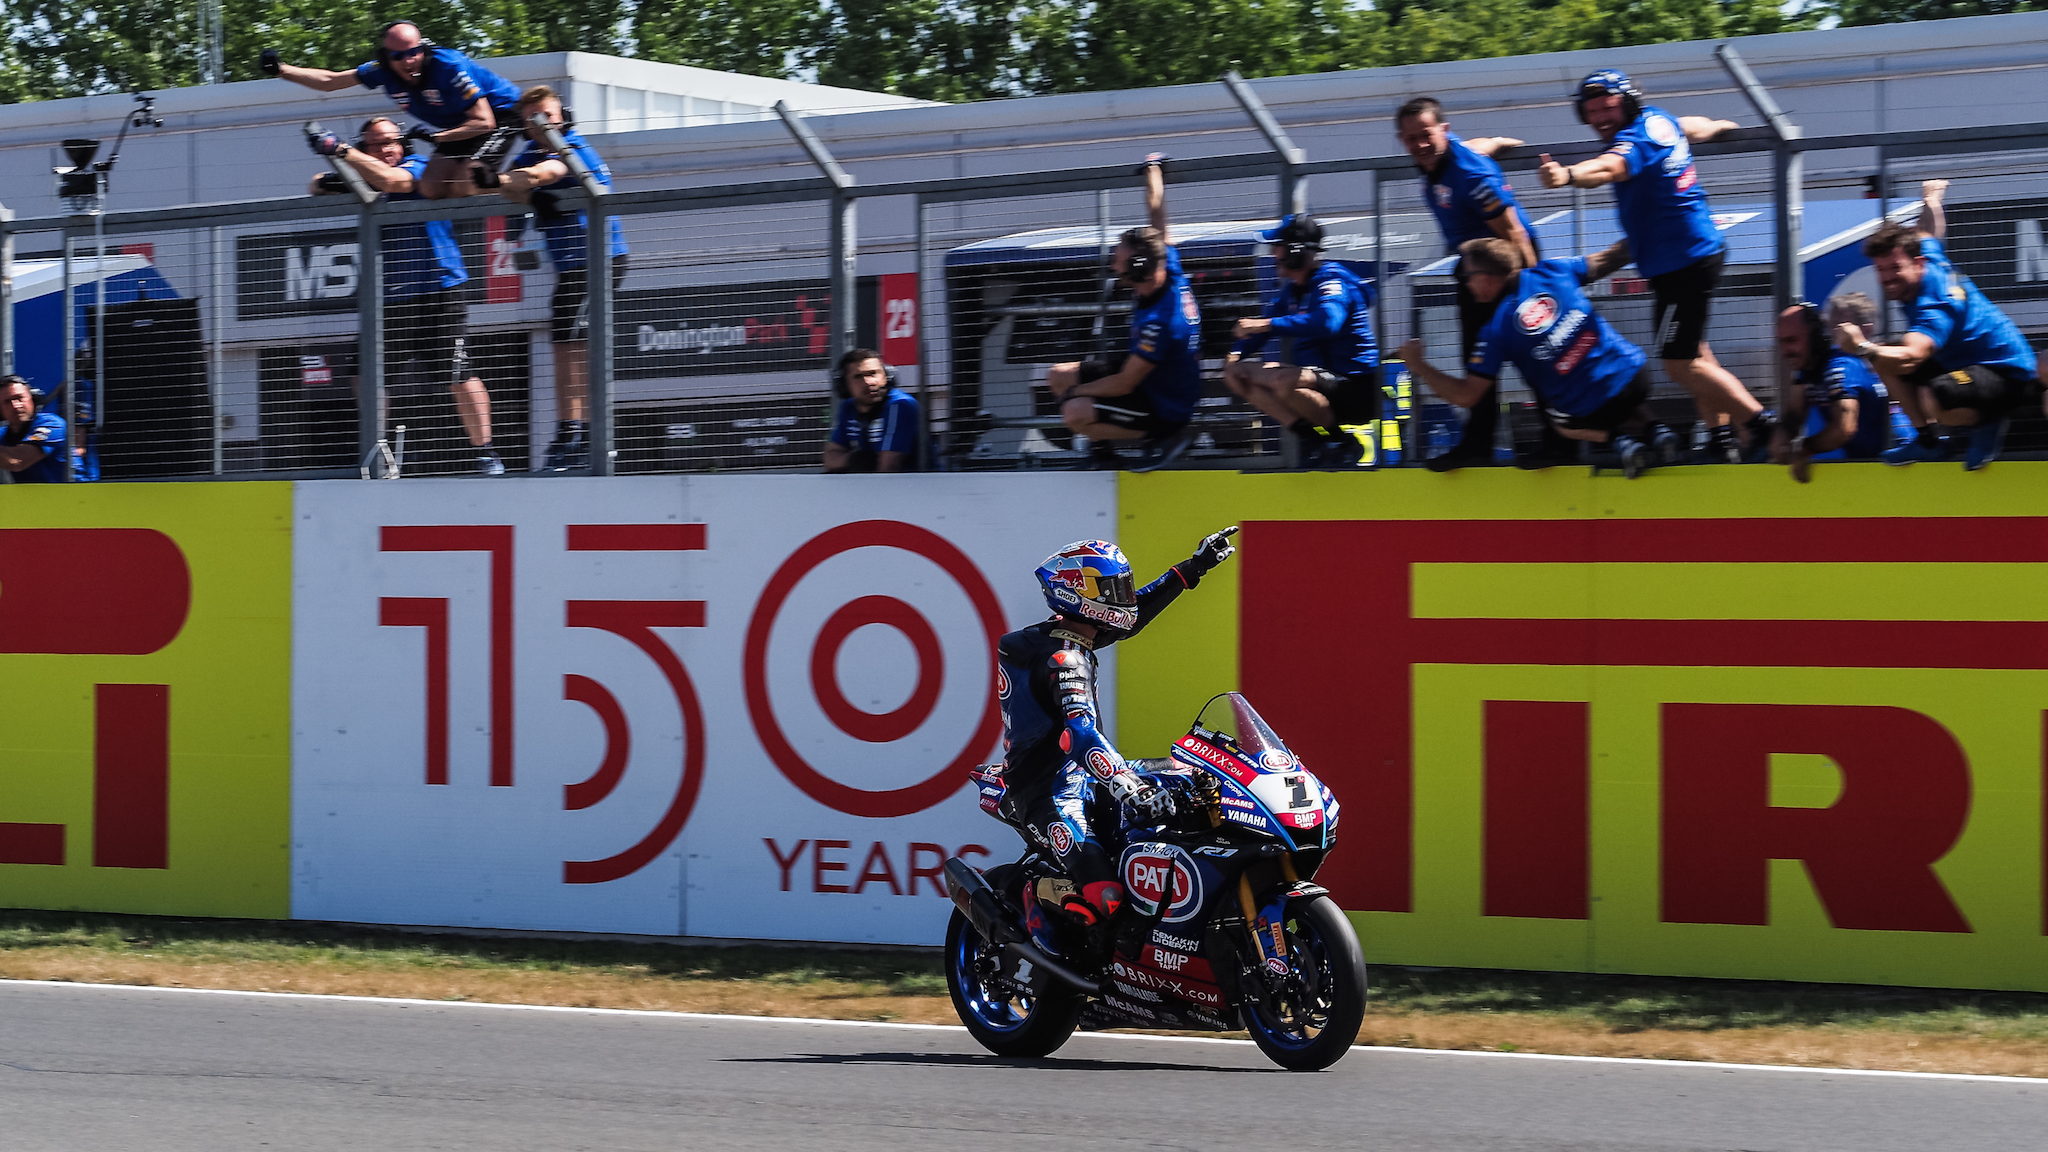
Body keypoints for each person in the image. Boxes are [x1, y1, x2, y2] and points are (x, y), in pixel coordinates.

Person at [996, 528, 1238, 944]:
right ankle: (1028, 894)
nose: (1124, 597)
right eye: (1114, 589)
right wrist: (1131, 788)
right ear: (1080, 594)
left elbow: (1132, 618)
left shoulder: (1072, 633)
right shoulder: (1063, 658)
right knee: (1106, 899)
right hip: (1048, 793)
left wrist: (1192, 569)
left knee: (1197, 777)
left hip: (1089, 777)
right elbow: (1082, 736)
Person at [1538, 69, 1773, 464]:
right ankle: (1719, 439)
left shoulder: (1633, 141)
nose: (1599, 118)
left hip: (1682, 263)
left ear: (1628, 103)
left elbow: (1608, 168)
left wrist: (1567, 175)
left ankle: (1763, 424)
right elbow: (1693, 126)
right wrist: (1724, 128)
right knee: (1696, 352)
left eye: (1607, 107)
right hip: (1690, 254)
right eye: (1591, 112)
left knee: (1680, 365)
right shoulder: (1658, 120)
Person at [309, 117, 504, 475]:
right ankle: (378, 452)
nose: (387, 148)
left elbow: (391, 181)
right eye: (378, 143)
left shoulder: (418, 167)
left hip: (440, 287)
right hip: (392, 296)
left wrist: (345, 156)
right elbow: (316, 184)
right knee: (363, 372)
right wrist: (349, 177)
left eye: (393, 141)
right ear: (365, 148)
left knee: (457, 371)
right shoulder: (367, 175)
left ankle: (486, 453)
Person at [1399, 237, 1675, 479]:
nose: (1466, 284)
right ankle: (1657, 430)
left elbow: (1468, 396)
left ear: (1488, 276)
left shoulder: (1496, 329)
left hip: (1594, 409)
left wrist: (1418, 366)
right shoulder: (1554, 270)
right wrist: (1652, 228)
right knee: (1612, 379)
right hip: (1638, 376)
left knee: (1560, 422)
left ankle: (1621, 443)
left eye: (1468, 276)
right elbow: (1612, 257)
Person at [1394, 95, 1559, 470]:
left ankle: (1558, 439)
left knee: (1531, 350)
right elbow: (1482, 145)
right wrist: (1505, 142)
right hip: (1473, 269)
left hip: (1507, 268)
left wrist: (1531, 290)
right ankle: (1479, 443)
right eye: (1409, 138)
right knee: (1477, 358)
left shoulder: (1470, 174)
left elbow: (1515, 232)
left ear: (1444, 130)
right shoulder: (1447, 156)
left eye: (1425, 134)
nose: (1419, 144)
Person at [1845, 179, 2042, 471]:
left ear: (1918, 264)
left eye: (1895, 268)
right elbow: (1928, 232)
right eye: (1881, 269)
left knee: (1932, 395)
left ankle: (1987, 420)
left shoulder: (1934, 304)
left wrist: (1862, 346)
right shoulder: (1926, 256)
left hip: (2006, 372)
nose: (1887, 277)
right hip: (1963, 363)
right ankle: (1927, 443)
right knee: (1886, 360)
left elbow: (1913, 354)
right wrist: (1931, 198)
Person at [497, 85, 630, 473]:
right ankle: (572, 431)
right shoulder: (532, 150)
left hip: (599, 259)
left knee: (573, 344)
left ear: (563, 116)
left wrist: (521, 186)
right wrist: (520, 190)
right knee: (565, 343)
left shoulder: (570, 145)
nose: (542, 124)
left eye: (548, 116)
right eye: (533, 119)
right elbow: (511, 184)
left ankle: (578, 433)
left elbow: (543, 173)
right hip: (572, 266)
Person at [1044, 156, 1202, 470]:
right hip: (1150, 377)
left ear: (1140, 267)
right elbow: (1156, 211)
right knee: (1057, 375)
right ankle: (1102, 454)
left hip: (1162, 405)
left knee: (1074, 411)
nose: (1114, 266)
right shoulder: (1167, 264)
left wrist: (1076, 392)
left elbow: (1125, 383)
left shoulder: (1161, 322)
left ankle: (1165, 436)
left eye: (1118, 260)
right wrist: (1152, 169)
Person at [265, 21, 522, 199]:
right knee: (431, 189)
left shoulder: (449, 66)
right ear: (387, 57)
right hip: (459, 127)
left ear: (422, 49)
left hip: (499, 114)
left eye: (413, 53)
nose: (408, 61)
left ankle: (523, 187)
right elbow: (331, 81)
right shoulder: (381, 71)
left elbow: (485, 122)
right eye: (399, 56)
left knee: (466, 184)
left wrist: (437, 138)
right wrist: (281, 70)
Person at [1223, 213, 1378, 469]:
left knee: (1284, 380)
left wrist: (1265, 324)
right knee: (1235, 373)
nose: (1273, 255)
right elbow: (1264, 328)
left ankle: (1340, 442)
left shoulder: (1332, 281)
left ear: (1296, 250)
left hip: (1356, 386)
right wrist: (1235, 354)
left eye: (1277, 247)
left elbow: (1329, 322)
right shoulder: (1292, 290)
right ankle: (1314, 439)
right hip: (1318, 383)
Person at [1769, 298, 1895, 483]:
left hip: (1897, 460)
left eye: (1792, 341)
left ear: (1815, 337)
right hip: (1870, 462)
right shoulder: (1808, 370)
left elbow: (1843, 429)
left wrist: (1803, 450)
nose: (1785, 351)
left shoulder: (1839, 367)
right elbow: (1794, 416)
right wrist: (1781, 439)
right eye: (1781, 342)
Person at [823, 348, 920, 473]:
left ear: (886, 377)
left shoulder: (900, 405)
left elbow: (889, 466)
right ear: (844, 385)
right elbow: (830, 458)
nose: (869, 382)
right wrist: (854, 459)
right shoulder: (848, 407)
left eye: (873, 373)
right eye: (858, 377)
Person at [0, 376, 69, 483]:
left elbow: (18, 460)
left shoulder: (51, 424)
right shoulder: (3, 434)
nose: (16, 406)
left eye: (19, 398)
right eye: (7, 402)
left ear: (33, 399)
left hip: (77, 496)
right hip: (36, 499)